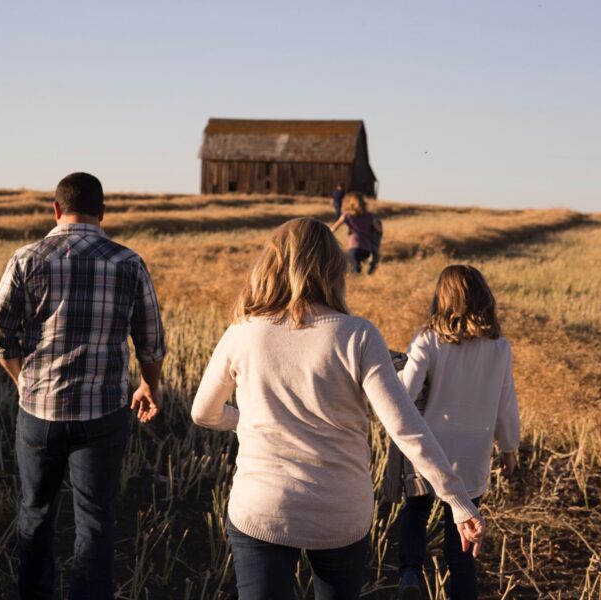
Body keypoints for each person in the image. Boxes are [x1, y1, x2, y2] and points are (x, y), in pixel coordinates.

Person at [191, 218, 485, 600]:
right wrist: (458, 501)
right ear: (334, 267)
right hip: (340, 514)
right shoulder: (358, 334)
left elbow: (203, 413)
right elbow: (404, 427)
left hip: (262, 509)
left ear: (271, 264)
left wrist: (252, 421)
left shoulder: (242, 332)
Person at [0, 172, 166, 600]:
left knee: (35, 512)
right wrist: (148, 386)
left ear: (55, 209)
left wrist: (22, 382)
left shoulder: (26, 258)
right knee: (96, 518)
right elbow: (151, 342)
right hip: (103, 415)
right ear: (102, 213)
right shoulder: (128, 262)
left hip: (39, 412)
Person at [392, 265, 520, 600]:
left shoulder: (428, 339)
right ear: (484, 298)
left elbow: (405, 393)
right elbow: (506, 403)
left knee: (416, 510)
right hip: (473, 455)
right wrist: (509, 447)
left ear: (442, 298)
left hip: (429, 449)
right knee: (462, 542)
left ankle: (409, 574)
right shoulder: (499, 347)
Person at [331, 192, 382, 274]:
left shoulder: (346, 216)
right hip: (367, 249)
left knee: (355, 272)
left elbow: (333, 228)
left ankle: (358, 285)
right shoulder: (369, 216)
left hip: (354, 247)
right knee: (363, 271)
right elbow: (379, 229)